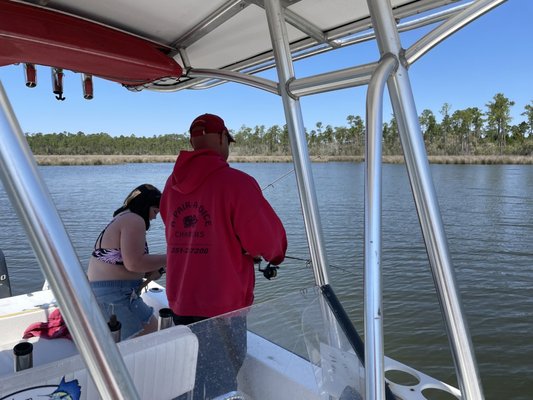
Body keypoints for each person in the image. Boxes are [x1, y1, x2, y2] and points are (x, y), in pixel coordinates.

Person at [160, 113, 287, 399]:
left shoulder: (170, 185)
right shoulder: (237, 183)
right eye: (228, 140)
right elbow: (271, 245)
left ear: (193, 142)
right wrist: (266, 254)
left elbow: (173, 226)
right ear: (220, 138)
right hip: (223, 309)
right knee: (221, 383)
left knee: (189, 379)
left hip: (181, 302)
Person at [87, 183, 166, 341]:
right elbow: (134, 263)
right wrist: (172, 257)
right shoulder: (134, 219)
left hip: (105, 293)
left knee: (147, 331)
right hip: (114, 296)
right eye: (155, 211)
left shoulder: (120, 218)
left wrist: (150, 271)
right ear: (145, 205)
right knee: (149, 333)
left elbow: (127, 262)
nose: (155, 217)